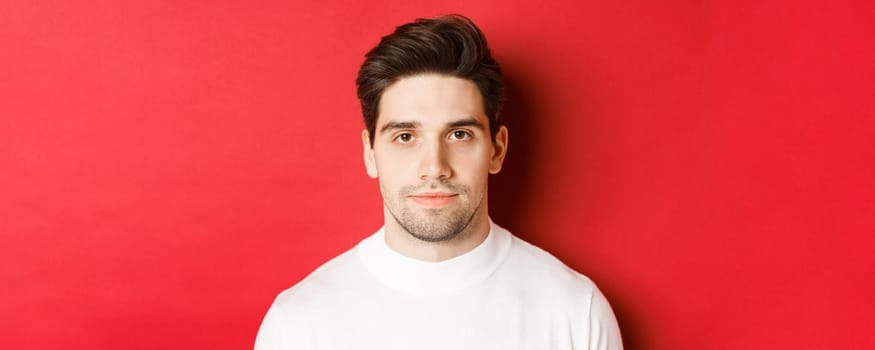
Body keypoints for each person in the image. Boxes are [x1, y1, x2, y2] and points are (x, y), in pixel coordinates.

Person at [254, 14, 623, 350]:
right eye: (405, 137)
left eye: (459, 135)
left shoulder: (576, 313)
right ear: (370, 153)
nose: (434, 167)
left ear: (497, 150)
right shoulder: (299, 325)